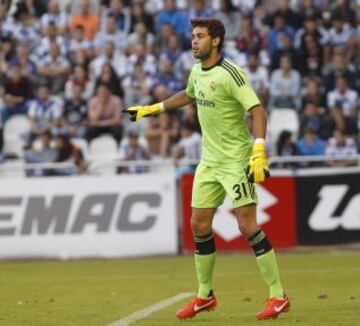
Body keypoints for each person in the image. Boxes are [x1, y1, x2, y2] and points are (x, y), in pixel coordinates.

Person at [123, 18, 290, 321]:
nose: (194, 41)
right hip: (209, 161)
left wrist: (259, 150)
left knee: (247, 226)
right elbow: (189, 94)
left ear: (216, 41)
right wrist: (153, 108)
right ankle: (204, 296)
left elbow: (258, 111)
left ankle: (278, 296)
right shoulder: (197, 71)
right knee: (198, 224)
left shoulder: (232, 74)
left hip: (236, 160)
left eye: (200, 36)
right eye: (193, 36)